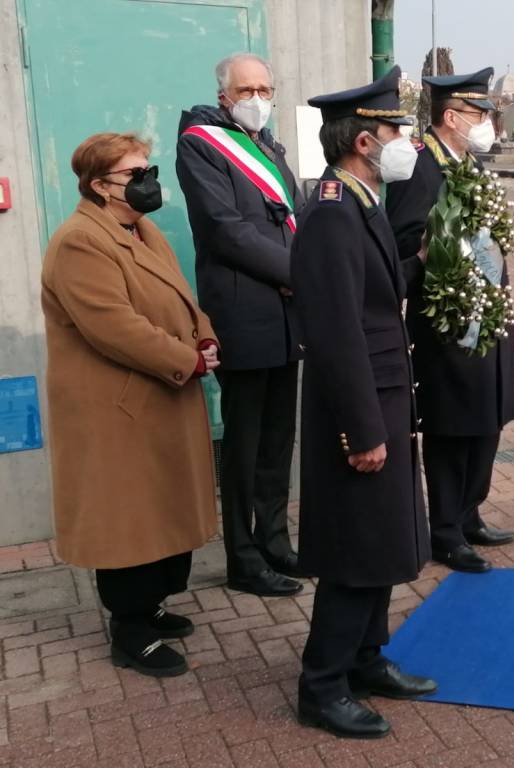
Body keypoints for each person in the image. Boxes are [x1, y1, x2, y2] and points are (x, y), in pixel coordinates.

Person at [291, 66, 436, 740]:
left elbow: (373, 296)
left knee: (380, 539)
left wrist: (423, 261)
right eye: (394, 128)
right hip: (359, 408)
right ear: (363, 141)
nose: (404, 139)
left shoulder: (360, 200)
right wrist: (362, 428)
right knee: (355, 548)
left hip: (382, 394)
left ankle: (366, 658)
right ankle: (322, 684)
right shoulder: (329, 210)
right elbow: (335, 328)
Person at [41, 132, 220, 677]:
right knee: (129, 523)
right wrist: (184, 360)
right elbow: (113, 326)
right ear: (100, 186)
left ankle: (154, 606)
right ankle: (130, 631)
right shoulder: (79, 241)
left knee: (163, 511)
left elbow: (182, 296)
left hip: (156, 398)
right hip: (116, 410)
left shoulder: (138, 228)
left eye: (149, 169)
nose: (148, 182)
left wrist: (204, 337)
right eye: (134, 174)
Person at [176, 52, 305, 597]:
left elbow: (294, 214)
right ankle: (243, 556)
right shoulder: (201, 144)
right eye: (246, 90)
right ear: (224, 94)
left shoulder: (268, 146)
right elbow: (225, 230)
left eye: (265, 89)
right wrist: (296, 272)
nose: (257, 99)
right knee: (245, 443)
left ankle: (275, 540)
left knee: (278, 440)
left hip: (286, 315)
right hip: (243, 312)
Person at [386, 68, 514, 574]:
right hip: (446, 319)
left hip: (487, 311)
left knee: (487, 417)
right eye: (479, 114)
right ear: (451, 116)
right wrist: (448, 251)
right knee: (451, 424)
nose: (486, 123)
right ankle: (443, 529)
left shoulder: (472, 163)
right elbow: (404, 243)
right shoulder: (420, 167)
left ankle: (469, 515)